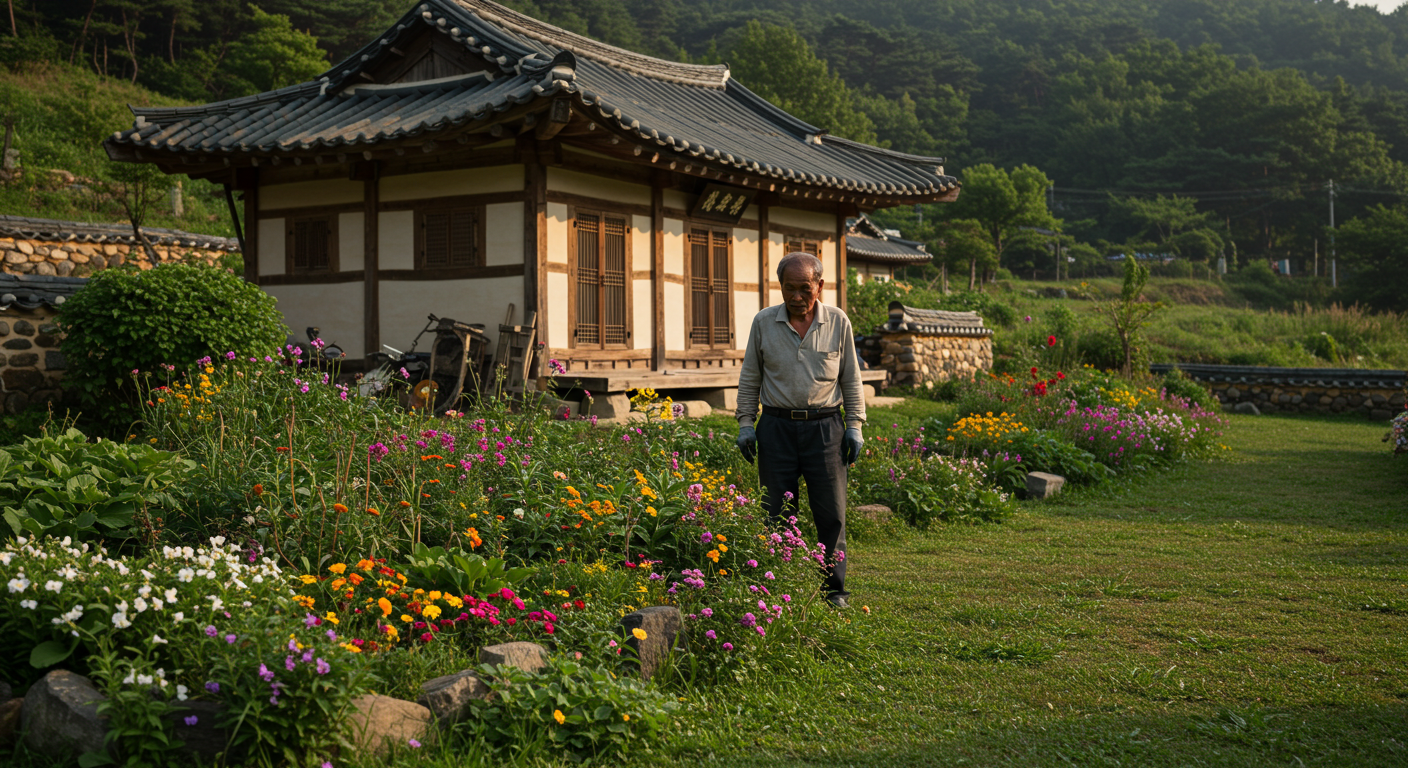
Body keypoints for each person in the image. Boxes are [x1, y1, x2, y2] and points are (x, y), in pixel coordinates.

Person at [735, 251, 864, 609]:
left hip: (826, 428)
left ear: (819, 286)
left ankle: (834, 590)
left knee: (831, 513)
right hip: (775, 427)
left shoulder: (838, 322)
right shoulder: (763, 322)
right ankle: (777, 585)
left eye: (804, 288)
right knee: (775, 511)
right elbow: (750, 378)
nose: (795, 297)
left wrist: (854, 426)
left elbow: (851, 379)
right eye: (788, 288)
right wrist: (746, 424)